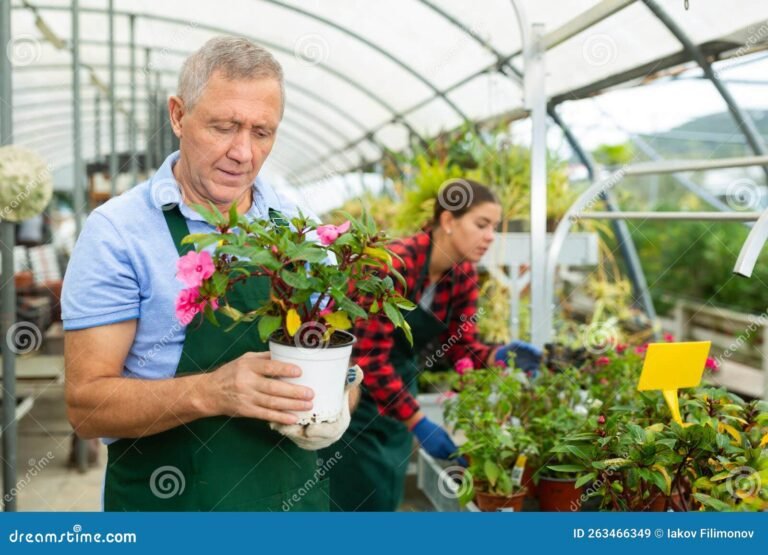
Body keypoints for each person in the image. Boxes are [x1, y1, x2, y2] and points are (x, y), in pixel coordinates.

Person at [62, 37, 358, 511]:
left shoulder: (298, 224)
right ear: (178, 115)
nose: (242, 152)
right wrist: (212, 391)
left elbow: (335, 354)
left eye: (262, 133)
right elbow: (86, 408)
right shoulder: (119, 233)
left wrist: (339, 403)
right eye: (224, 127)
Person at [322, 179, 542, 511]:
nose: (490, 236)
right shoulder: (393, 265)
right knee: (353, 496)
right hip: (355, 395)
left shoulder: (463, 276)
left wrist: (499, 355)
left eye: (493, 227)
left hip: (398, 398)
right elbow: (368, 357)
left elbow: (460, 347)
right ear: (449, 221)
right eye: (481, 224)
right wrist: (417, 421)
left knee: (385, 497)